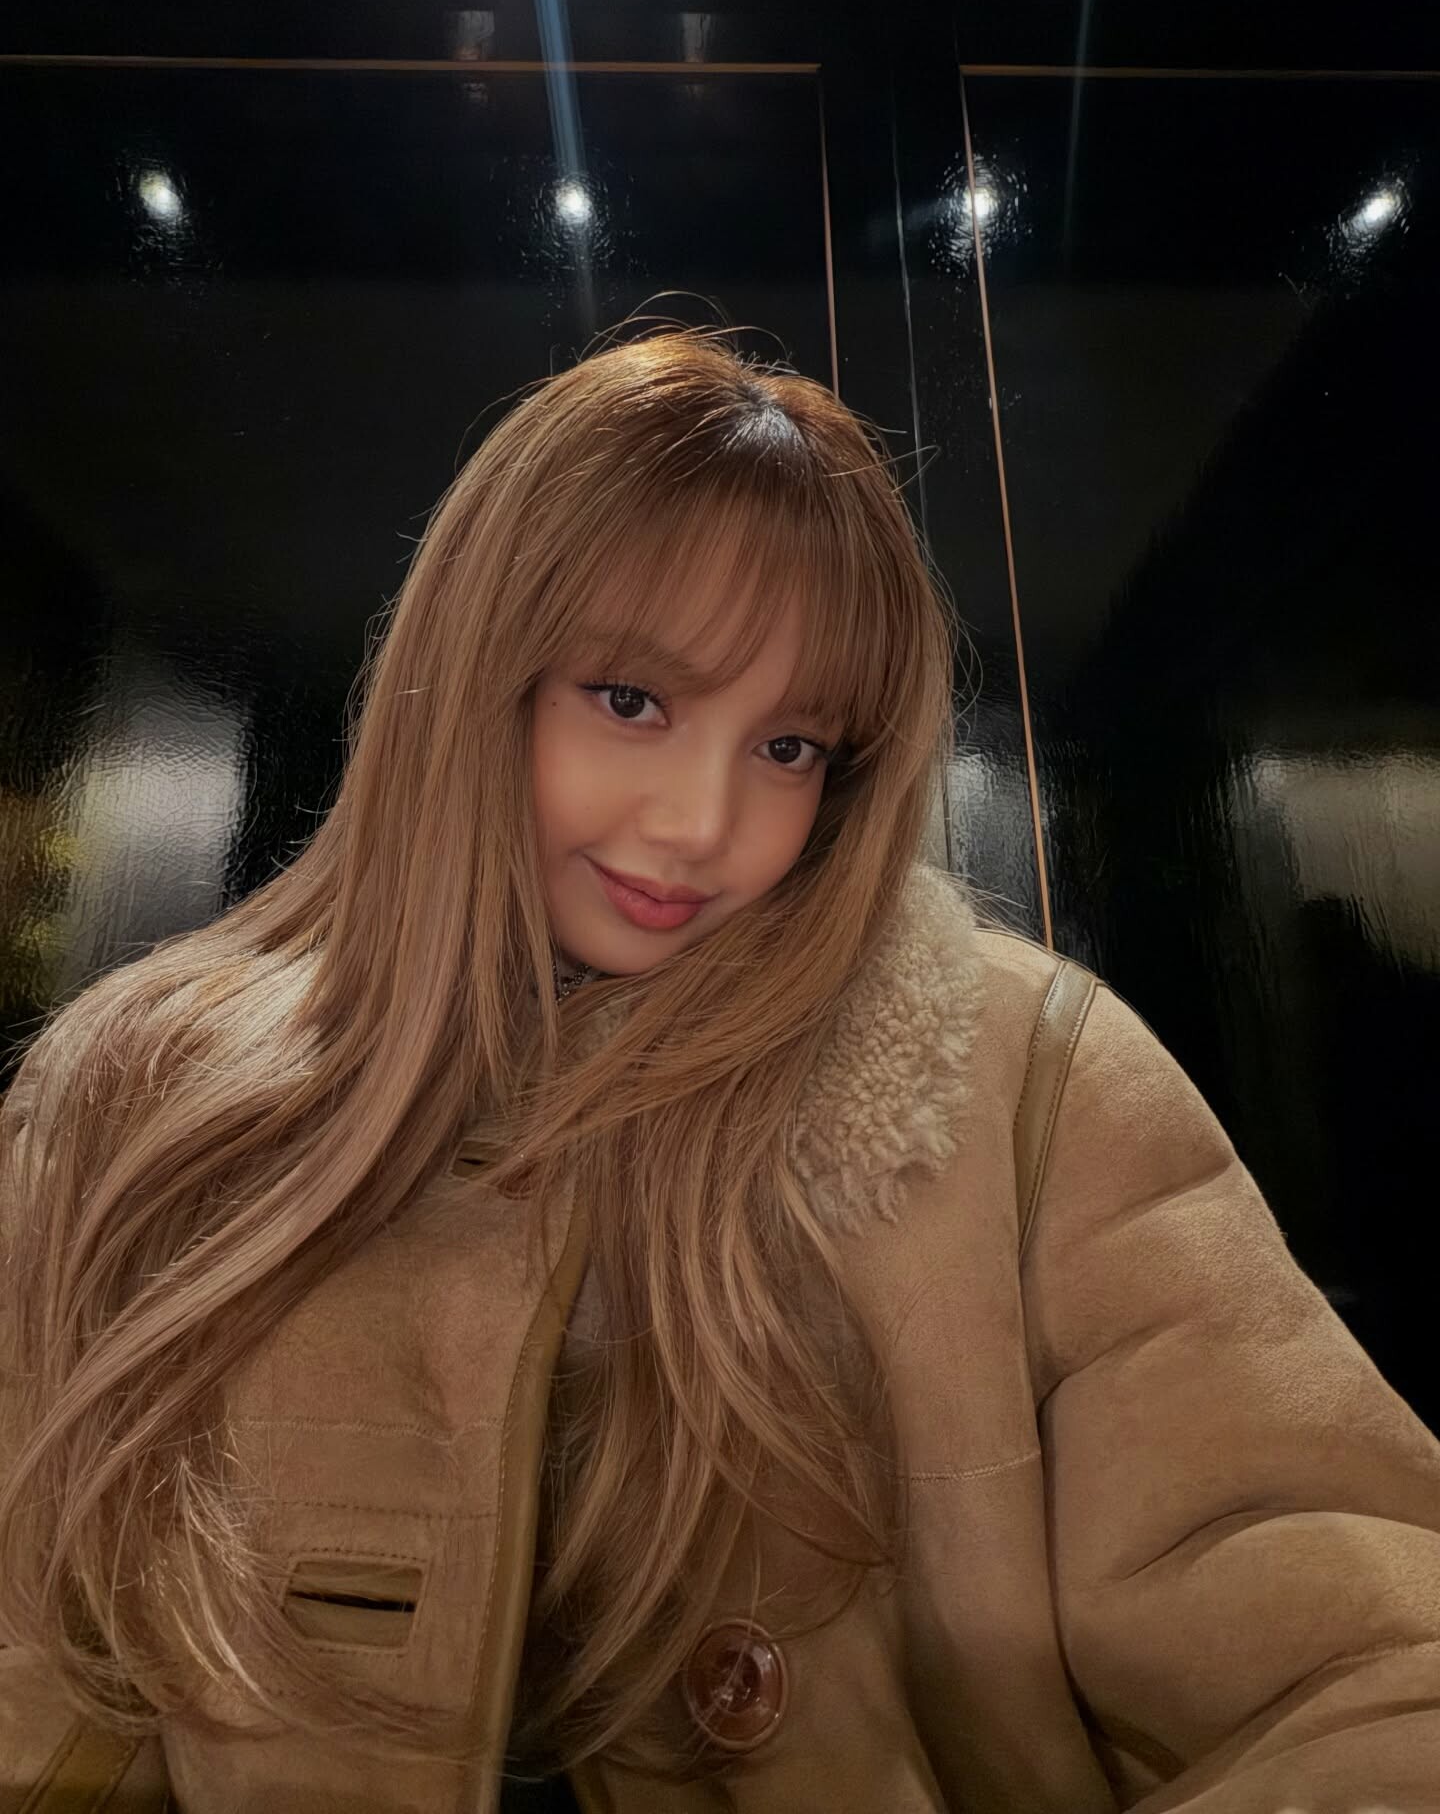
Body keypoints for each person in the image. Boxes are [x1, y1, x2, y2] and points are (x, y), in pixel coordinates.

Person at [2, 324, 1439, 1814]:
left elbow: (1372, 1668)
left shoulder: (1021, 1082)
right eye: (632, 700)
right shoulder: (133, 1093)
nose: (702, 824)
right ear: (476, 673)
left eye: (791, 746)